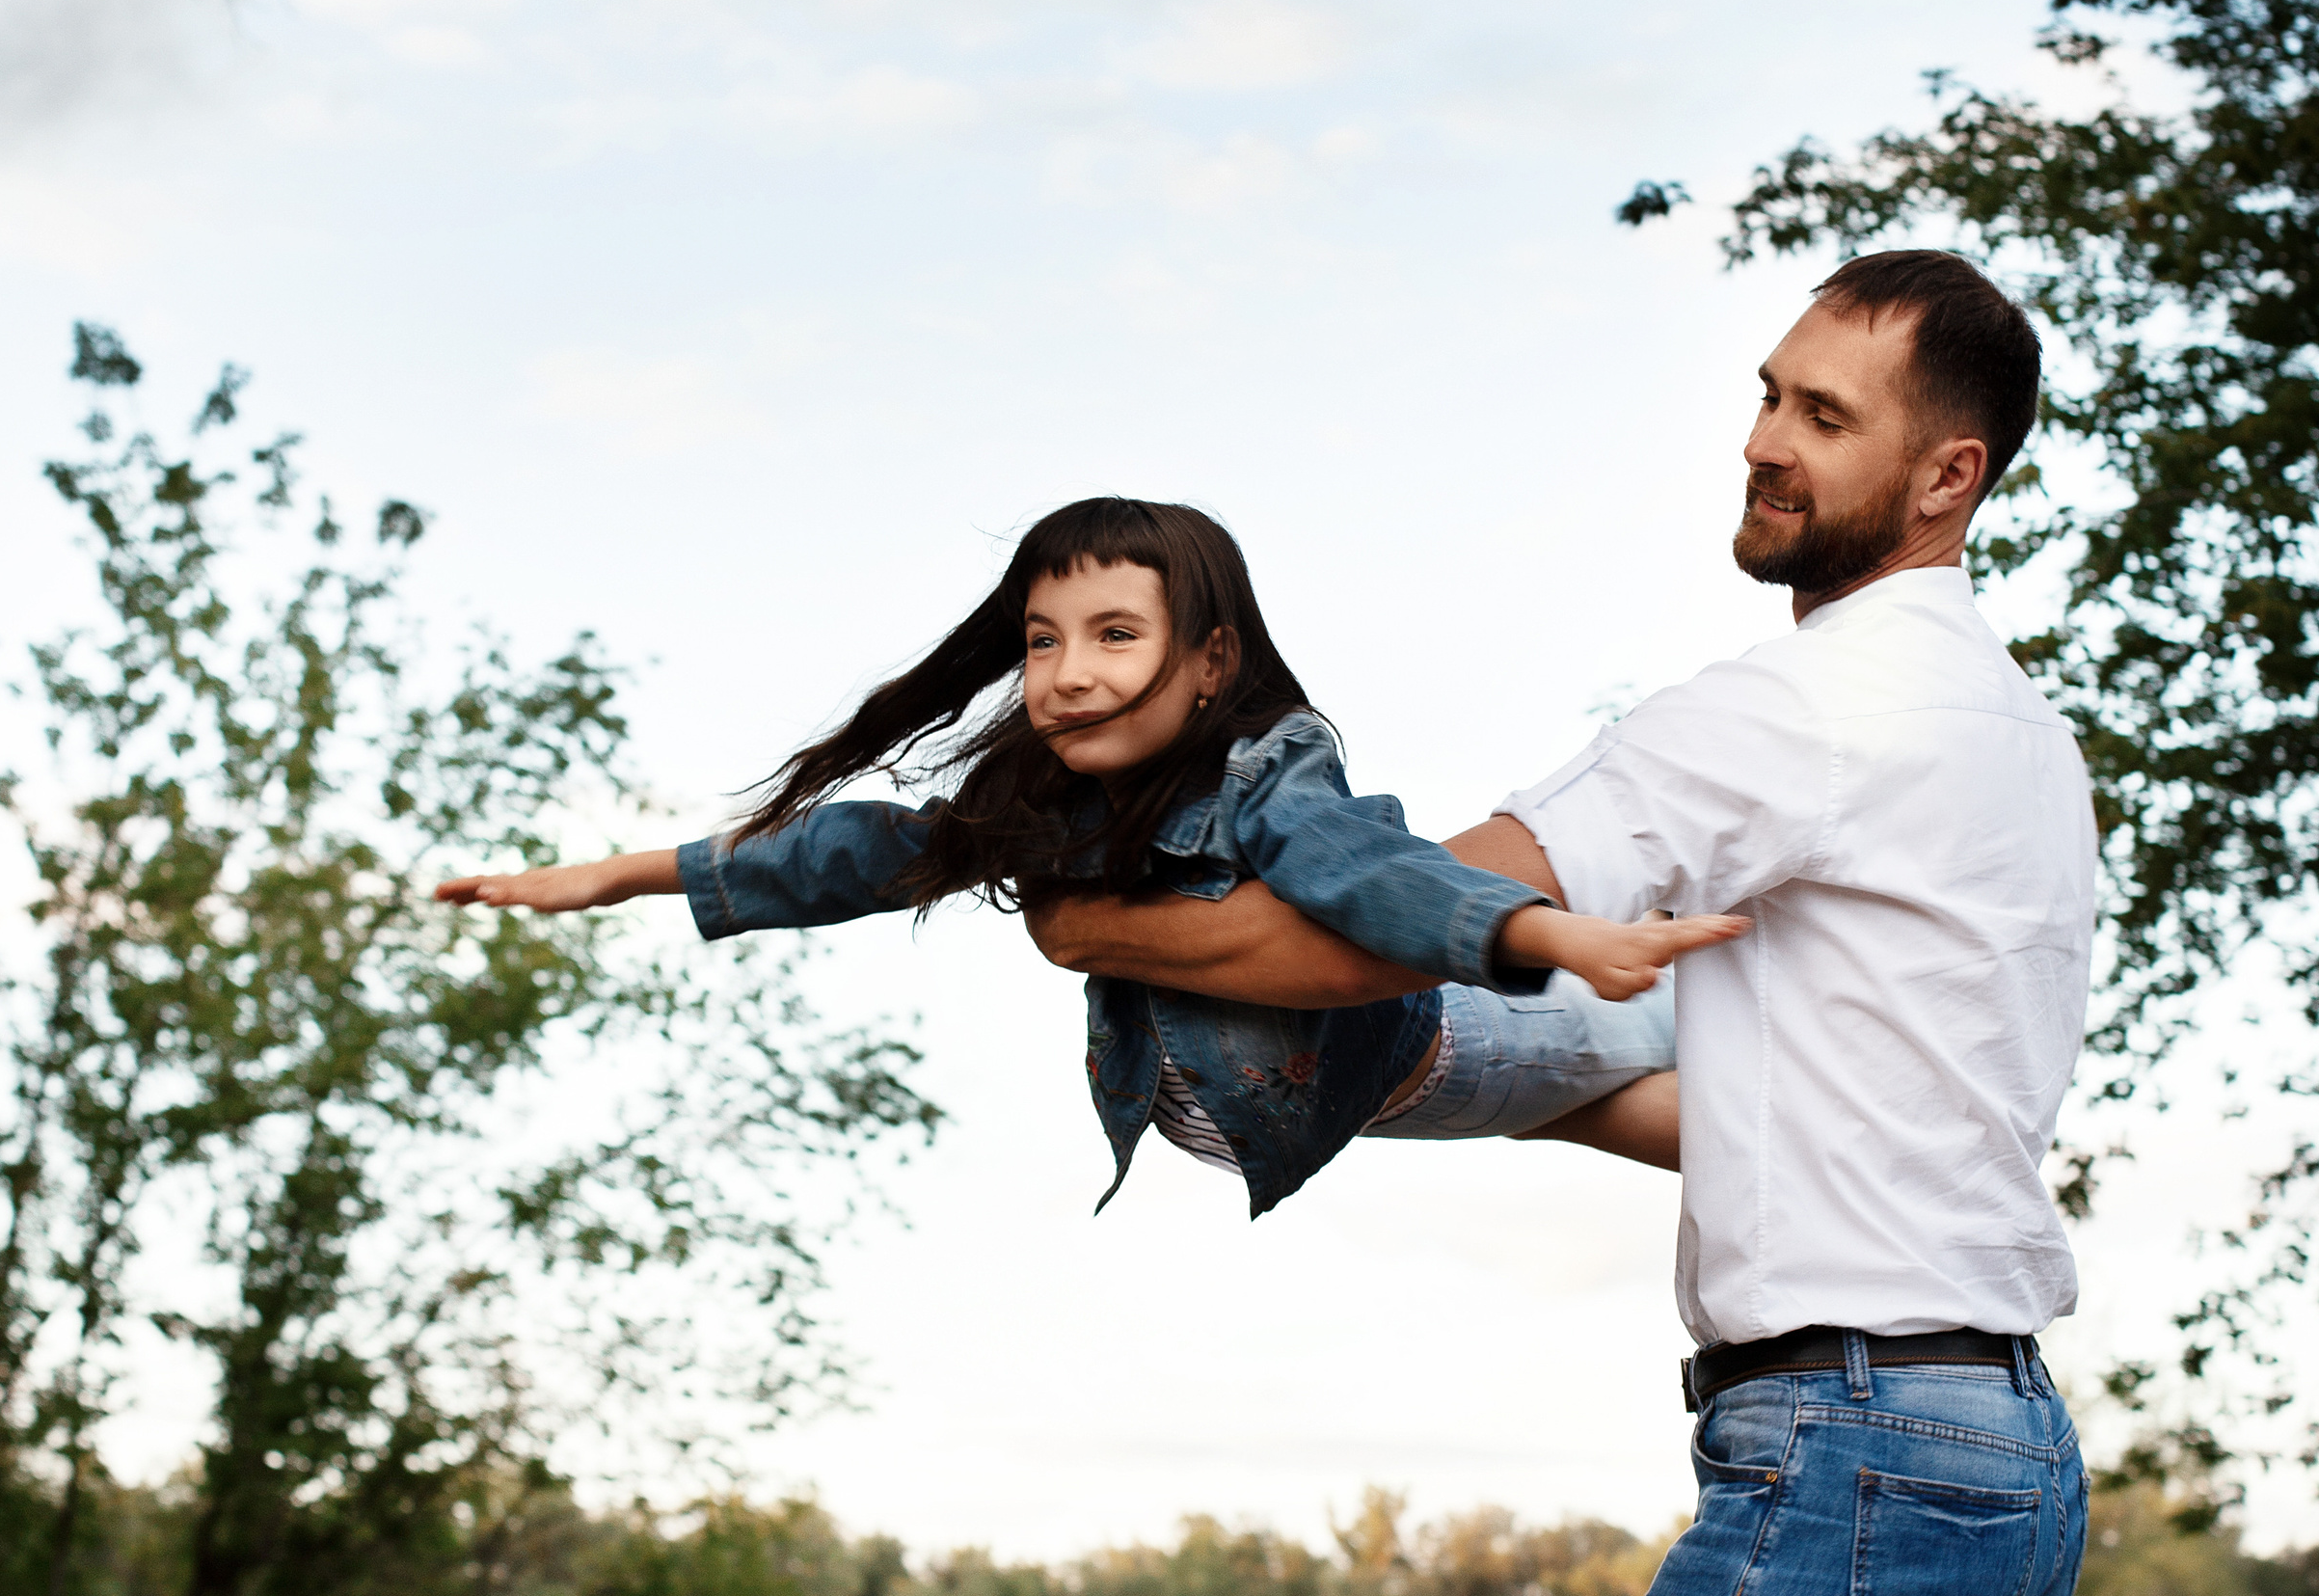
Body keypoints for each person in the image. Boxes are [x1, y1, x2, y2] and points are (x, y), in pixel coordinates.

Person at [1025, 252, 2095, 1596]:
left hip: (1859, 1460)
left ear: (1949, 477)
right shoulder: (2023, 739)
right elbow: (1829, 1128)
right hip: (2000, 1465)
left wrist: (1087, 926)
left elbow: (1385, 928)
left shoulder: (1812, 708)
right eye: (1771, 398)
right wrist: (1487, 1079)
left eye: (1825, 420)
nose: (1765, 444)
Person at [437, 498, 1741, 1218]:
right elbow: (849, 856)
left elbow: (1363, 876)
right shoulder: (1043, 808)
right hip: (1373, 1099)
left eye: (1115, 635)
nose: (1068, 674)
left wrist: (1551, 934)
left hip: (1449, 1037)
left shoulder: (1267, 771)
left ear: (1209, 663)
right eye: (1044, 641)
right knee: (1667, 1104)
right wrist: (612, 878)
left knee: (1694, 1057)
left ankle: (1784, 1013)